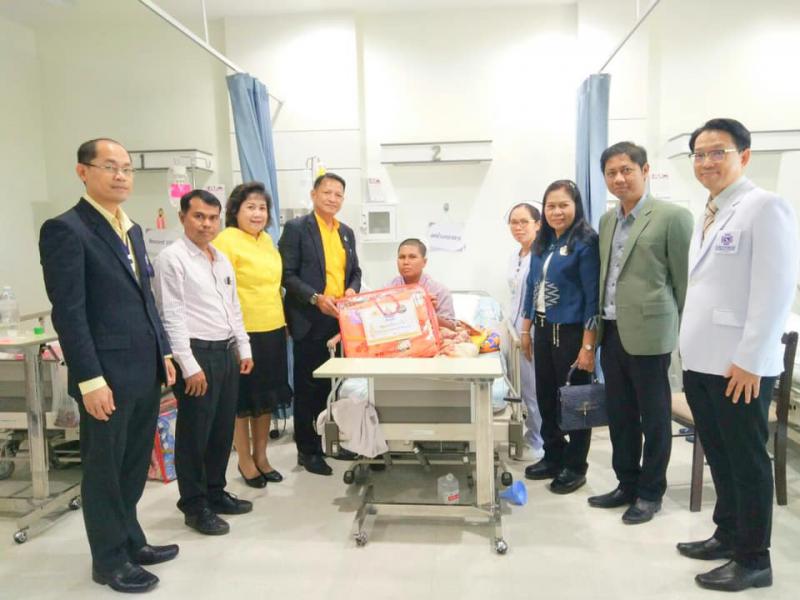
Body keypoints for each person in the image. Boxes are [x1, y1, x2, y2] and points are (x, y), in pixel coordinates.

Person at [39, 138, 178, 594]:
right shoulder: (66, 230)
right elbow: (70, 314)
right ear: (83, 172)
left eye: (127, 168)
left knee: (133, 465)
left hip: (143, 369)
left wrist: (164, 353)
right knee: (104, 471)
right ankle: (109, 560)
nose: (121, 176)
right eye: (110, 167)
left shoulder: (130, 229)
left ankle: (131, 540)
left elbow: (145, 299)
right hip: (105, 377)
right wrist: (89, 380)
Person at [677, 118, 798, 592]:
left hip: (738, 367)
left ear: (743, 156)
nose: (707, 162)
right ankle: (726, 535)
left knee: (747, 462)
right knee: (721, 457)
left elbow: (776, 290)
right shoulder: (709, 210)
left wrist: (751, 359)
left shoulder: (764, 207)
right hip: (701, 361)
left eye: (717, 152)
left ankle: (754, 560)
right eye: (699, 154)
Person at [589, 141, 693, 524]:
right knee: (620, 415)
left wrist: (682, 337)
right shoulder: (607, 221)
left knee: (654, 418)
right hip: (612, 331)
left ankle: (650, 493)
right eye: (611, 173)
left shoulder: (672, 217)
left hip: (651, 335)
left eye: (626, 170)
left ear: (644, 171)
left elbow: (684, 283)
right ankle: (626, 483)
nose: (619, 178)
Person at [153, 189, 254, 536]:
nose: (206, 224)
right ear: (183, 217)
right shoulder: (172, 259)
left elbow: (233, 306)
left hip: (226, 352)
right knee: (195, 434)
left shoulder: (220, 258)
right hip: (197, 354)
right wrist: (189, 365)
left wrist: (244, 347)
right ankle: (194, 505)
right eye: (198, 216)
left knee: (222, 429)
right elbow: (171, 315)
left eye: (212, 218)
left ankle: (215, 491)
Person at [279, 173, 362, 476]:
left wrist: (352, 290)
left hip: (339, 322)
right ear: (314, 195)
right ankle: (308, 450)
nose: (332, 198)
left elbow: (355, 271)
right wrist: (315, 298)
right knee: (309, 387)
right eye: (327, 192)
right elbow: (286, 274)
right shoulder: (297, 229)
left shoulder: (346, 233)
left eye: (338, 194)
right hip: (310, 319)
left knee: (334, 386)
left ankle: (331, 442)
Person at [521, 180, 600, 494]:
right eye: (550, 206)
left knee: (576, 403)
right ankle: (553, 455)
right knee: (546, 398)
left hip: (572, 334)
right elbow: (532, 287)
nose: (556, 211)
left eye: (563, 205)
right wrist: (526, 330)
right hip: (543, 330)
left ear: (576, 207)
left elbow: (592, 298)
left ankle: (576, 466)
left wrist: (588, 345)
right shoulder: (543, 243)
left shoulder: (585, 242)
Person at [214, 182, 292, 487]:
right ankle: (245, 460)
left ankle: (262, 456)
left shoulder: (267, 241)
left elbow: (275, 286)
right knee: (243, 401)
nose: (257, 213)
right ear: (235, 210)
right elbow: (221, 292)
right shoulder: (226, 241)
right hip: (243, 332)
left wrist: (284, 322)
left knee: (266, 398)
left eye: (262, 208)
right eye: (250, 207)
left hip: (272, 328)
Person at [506, 203, 544, 461]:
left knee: (534, 389)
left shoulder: (542, 255)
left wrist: (526, 331)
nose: (518, 227)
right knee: (522, 386)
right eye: (513, 222)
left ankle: (538, 441)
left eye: (524, 222)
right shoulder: (516, 255)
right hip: (514, 329)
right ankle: (532, 434)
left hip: (532, 331)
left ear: (537, 224)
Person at [387, 238, 456, 329]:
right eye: (402, 257)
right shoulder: (387, 290)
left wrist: (428, 313)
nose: (406, 262)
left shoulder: (439, 291)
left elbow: (451, 327)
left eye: (412, 257)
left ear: (424, 262)